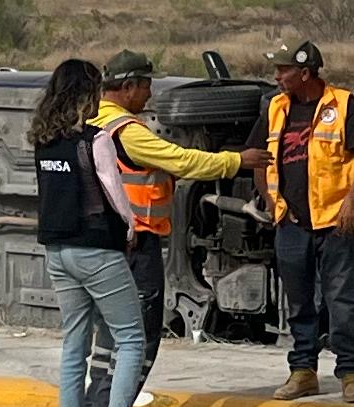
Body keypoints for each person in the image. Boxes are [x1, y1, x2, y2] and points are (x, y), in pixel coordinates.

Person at [31, 56, 163, 407]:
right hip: (97, 251)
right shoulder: (97, 140)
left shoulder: (43, 140)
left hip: (57, 250)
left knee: (74, 344)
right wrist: (128, 230)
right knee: (130, 339)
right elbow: (116, 196)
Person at [92, 50, 251, 358]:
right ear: (128, 88)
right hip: (136, 243)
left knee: (108, 334)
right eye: (146, 85)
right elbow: (182, 161)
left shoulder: (92, 121)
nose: (150, 93)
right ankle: (115, 404)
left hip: (101, 241)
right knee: (140, 339)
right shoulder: (129, 132)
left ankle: (98, 401)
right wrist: (236, 161)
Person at [257, 40, 354, 404]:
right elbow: (258, 159)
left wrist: (352, 202)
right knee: (298, 302)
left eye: (283, 70)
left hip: (334, 222)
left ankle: (350, 374)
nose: (276, 76)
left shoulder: (342, 105)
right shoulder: (275, 108)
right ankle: (303, 371)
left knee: (341, 300)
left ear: (304, 73)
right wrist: (273, 202)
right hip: (291, 224)